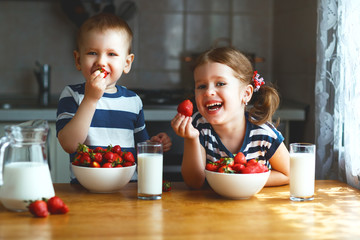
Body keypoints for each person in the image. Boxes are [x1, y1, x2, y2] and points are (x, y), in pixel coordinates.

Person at [56, 13, 171, 172]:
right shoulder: (72, 95)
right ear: (78, 60)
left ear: (127, 63)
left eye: (111, 54)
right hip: (86, 190)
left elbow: (139, 149)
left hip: (128, 189)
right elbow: (69, 145)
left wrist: (154, 144)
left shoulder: (133, 101)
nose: (101, 62)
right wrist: (90, 99)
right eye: (92, 53)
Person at [171, 47, 290, 189]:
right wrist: (192, 139)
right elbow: (194, 182)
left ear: (246, 94)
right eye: (201, 86)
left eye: (220, 84)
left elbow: (288, 173)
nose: (208, 92)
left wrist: (241, 180)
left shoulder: (263, 133)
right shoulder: (198, 126)